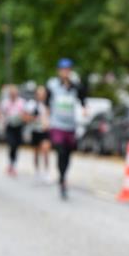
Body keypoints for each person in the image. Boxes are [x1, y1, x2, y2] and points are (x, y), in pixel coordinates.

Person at [46, 58, 86, 199]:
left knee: (68, 154)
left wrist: (84, 109)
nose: (65, 72)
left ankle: (63, 175)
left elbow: (83, 99)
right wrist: (46, 119)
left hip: (71, 125)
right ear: (59, 71)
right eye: (63, 70)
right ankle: (62, 179)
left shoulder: (75, 86)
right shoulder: (52, 85)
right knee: (60, 150)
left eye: (68, 70)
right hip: (57, 124)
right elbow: (46, 103)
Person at [0, 85, 27, 177]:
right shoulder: (5, 102)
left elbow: (25, 114)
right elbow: (2, 113)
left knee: (16, 146)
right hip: (10, 126)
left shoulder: (22, 102)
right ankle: (10, 163)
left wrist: (22, 116)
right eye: (12, 93)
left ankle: (13, 164)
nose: (13, 94)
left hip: (18, 126)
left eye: (15, 93)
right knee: (11, 144)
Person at [27, 84, 51, 182]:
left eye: (43, 93)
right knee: (36, 152)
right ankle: (37, 171)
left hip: (45, 131)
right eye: (39, 93)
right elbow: (27, 118)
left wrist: (47, 122)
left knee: (45, 150)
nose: (41, 95)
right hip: (36, 130)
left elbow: (50, 116)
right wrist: (34, 118)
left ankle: (46, 172)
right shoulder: (32, 104)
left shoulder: (48, 104)